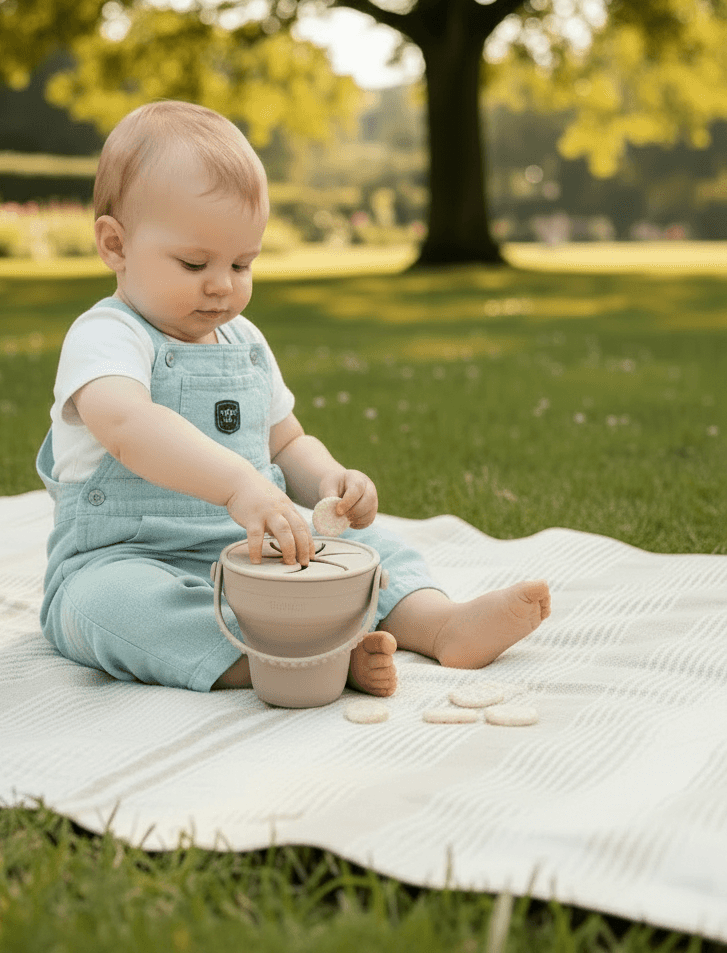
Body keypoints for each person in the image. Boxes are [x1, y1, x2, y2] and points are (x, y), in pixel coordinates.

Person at [36, 100, 551, 697]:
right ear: (115, 245)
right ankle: (289, 660)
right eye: (194, 262)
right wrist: (236, 485)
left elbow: (287, 440)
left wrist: (330, 480)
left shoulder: (245, 342)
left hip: (255, 555)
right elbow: (128, 424)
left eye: (242, 263)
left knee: (372, 549)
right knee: (113, 609)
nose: (222, 284)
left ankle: (440, 625)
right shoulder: (107, 336)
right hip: (126, 559)